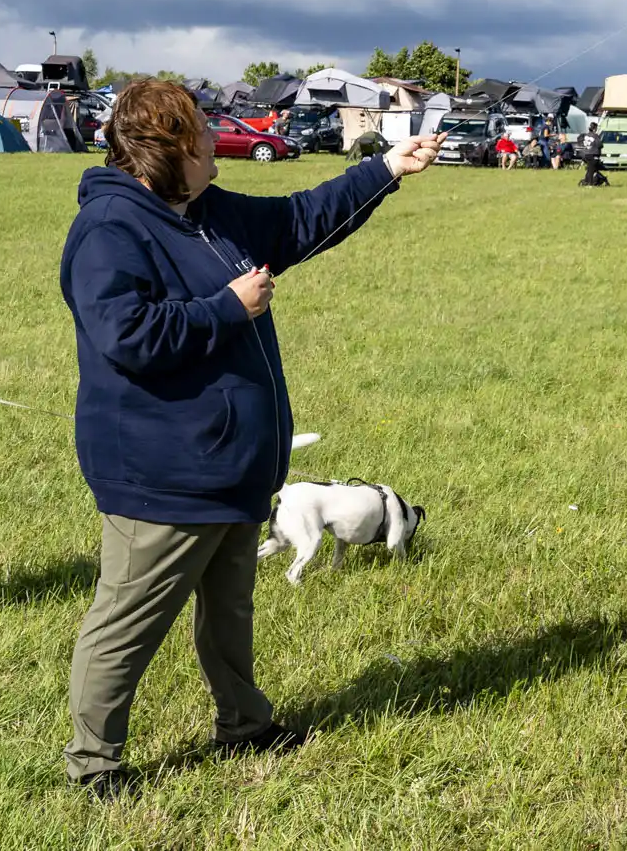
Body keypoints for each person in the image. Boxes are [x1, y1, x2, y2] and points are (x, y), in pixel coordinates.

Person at [58, 80, 442, 797]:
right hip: (162, 476)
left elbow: (299, 219)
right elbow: (126, 335)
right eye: (201, 137)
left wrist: (388, 168)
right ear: (161, 153)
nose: (215, 144)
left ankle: (244, 723)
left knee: (230, 609)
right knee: (126, 623)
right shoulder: (110, 229)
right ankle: (94, 764)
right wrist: (224, 310)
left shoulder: (207, 211)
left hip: (231, 468)